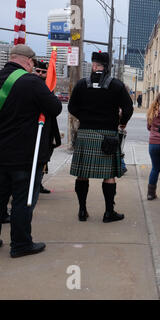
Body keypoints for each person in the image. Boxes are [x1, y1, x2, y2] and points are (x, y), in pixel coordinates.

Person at [0, 44, 62, 257]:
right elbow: (55, 108)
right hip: (24, 155)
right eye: (32, 63)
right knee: (21, 201)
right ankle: (21, 244)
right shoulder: (31, 82)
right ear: (28, 61)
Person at [68, 51, 133, 223]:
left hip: (86, 134)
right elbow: (128, 108)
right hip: (108, 135)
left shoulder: (82, 84)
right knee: (108, 175)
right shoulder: (117, 85)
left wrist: (85, 118)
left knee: (82, 173)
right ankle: (108, 213)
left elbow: (72, 107)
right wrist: (122, 122)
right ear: (107, 67)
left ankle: (82, 211)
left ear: (94, 65)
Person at [33, 60, 62, 194]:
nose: (40, 74)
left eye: (43, 72)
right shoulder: (30, 84)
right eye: (37, 71)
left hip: (47, 127)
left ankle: (38, 183)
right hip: (32, 128)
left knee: (45, 158)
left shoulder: (49, 86)